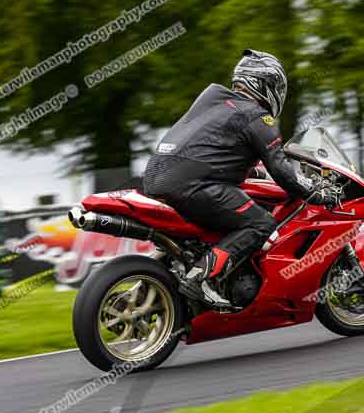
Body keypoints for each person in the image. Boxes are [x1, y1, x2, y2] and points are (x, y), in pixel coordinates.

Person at [143, 49, 334, 307]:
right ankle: (202, 278)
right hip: (193, 185)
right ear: (265, 84)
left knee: (205, 234)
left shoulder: (212, 99)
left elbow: (214, 150)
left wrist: (252, 170)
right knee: (261, 223)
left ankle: (165, 278)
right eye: (276, 86)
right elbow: (281, 170)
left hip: (156, 176)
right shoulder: (257, 116)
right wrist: (317, 192)